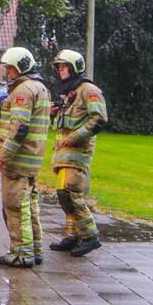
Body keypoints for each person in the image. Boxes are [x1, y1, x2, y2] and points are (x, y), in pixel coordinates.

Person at [0, 47, 51, 268]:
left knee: (15, 205)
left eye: (10, 68)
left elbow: (19, 127)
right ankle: (35, 248)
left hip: (18, 160)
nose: (8, 72)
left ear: (22, 67)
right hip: (33, 159)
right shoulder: (41, 88)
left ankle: (21, 253)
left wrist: (3, 156)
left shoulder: (22, 91)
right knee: (30, 206)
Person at [49, 49, 107, 257]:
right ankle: (72, 235)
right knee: (64, 194)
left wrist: (75, 137)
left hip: (78, 152)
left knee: (71, 192)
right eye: (59, 67)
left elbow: (99, 119)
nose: (61, 70)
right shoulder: (69, 91)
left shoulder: (88, 90)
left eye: (64, 66)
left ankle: (90, 236)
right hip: (63, 153)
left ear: (75, 67)